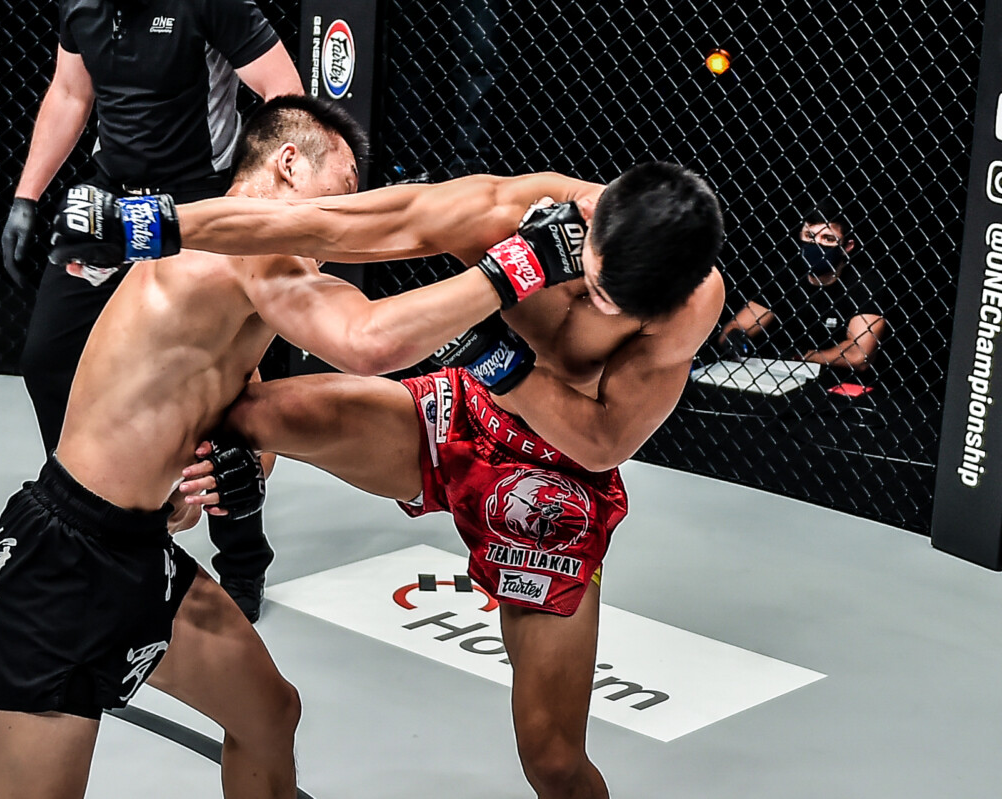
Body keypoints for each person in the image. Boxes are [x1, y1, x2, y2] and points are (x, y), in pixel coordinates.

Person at [55, 160, 725, 797]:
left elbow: (603, 442)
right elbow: (334, 222)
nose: (601, 306)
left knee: (553, 760)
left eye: (620, 306)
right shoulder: (514, 211)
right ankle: (181, 507)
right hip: (467, 414)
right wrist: (151, 224)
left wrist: (501, 363)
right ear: (592, 221)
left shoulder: (690, 303)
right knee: (250, 416)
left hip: (559, 481)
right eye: (598, 283)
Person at [0, 95, 587, 799]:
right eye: (343, 189)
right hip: (60, 564)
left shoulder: (221, 258)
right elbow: (366, 343)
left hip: (136, 548)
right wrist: (516, 267)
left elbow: (239, 409)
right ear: (289, 164)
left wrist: (232, 470)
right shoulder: (247, 248)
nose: (345, 218)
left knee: (270, 714)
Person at [0, 0, 304, 621]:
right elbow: (70, 92)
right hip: (112, 205)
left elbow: (285, 97)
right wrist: (27, 197)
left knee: (215, 387)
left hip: (196, 203)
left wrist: (254, 201)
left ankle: (242, 557)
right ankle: (93, 522)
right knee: (48, 358)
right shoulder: (81, 3)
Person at [718, 201, 887, 390]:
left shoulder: (863, 283)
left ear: (847, 246)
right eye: (810, 236)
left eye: (828, 239)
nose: (817, 245)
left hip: (837, 384)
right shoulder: (785, 275)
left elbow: (859, 355)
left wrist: (802, 356)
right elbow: (736, 325)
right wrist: (733, 337)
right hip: (782, 380)